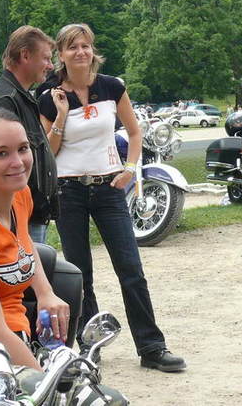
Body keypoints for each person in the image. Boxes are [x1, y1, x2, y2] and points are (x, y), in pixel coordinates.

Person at [0, 108, 125, 404]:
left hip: (11, 341)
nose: (17, 162)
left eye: (23, 149)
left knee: (98, 394)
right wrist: (45, 383)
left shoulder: (19, 195)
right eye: (2, 153)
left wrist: (45, 292)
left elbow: (23, 244)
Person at [37, 23, 186, 372]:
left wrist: (130, 168)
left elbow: (134, 132)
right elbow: (48, 151)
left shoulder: (112, 87)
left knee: (131, 269)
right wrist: (61, 115)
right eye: (72, 47)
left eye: (85, 46)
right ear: (61, 54)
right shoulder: (49, 97)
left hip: (109, 188)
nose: (80, 52)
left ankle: (152, 347)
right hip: (68, 190)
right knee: (80, 273)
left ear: (93, 51)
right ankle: (89, 346)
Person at [0, 26, 59, 244]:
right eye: (46, 58)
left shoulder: (20, 97)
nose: (51, 66)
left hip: (30, 214)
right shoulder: (4, 101)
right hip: (19, 218)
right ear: (25, 55)